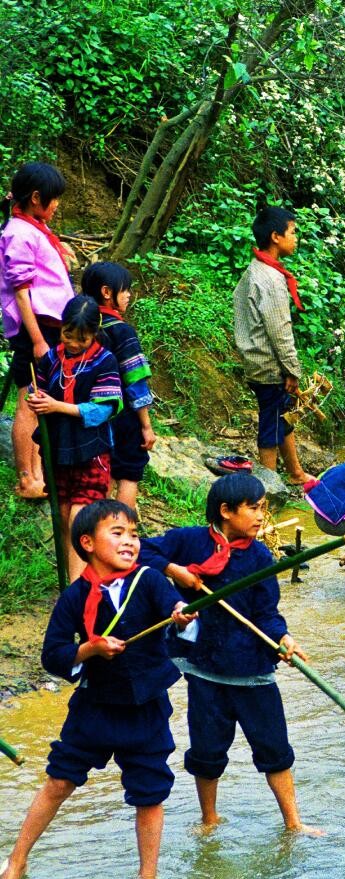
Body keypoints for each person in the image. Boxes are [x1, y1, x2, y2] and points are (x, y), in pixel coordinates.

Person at [1, 500, 190, 879]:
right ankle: (16, 862)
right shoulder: (74, 596)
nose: (130, 542)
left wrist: (182, 615)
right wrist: (88, 649)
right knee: (59, 780)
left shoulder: (150, 580)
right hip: (95, 708)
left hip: (147, 708)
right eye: (117, 533)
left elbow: (176, 610)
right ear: (86, 542)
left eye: (134, 535)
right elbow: (53, 655)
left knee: (150, 793)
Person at [139, 474, 319, 835]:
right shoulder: (188, 541)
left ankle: (294, 822)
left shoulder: (259, 557)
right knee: (206, 752)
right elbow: (142, 549)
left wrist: (283, 639)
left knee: (274, 747)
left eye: (263, 509)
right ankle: (209, 818)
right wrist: (176, 572)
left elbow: (267, 612)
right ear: (225, 511)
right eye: (253, 508)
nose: (260, 517)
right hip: (205, 670)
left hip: (252, 671)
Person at [29, 295, 122, 580]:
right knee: (64, 516)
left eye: (81, 339)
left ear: (94, 334)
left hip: (89, 451)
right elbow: (39, 392)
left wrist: (58, 406)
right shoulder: (50, 359)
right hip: (57, 450)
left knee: (83, 519)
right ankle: (74, 586)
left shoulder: (105, 362)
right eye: (68, 334)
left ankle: (81, 589)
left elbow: (103, 410)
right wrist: (38, 399)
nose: (72, 343)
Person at [1, 162, 74, 500]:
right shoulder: (18, 232)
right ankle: (27, 478)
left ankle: (40, 473)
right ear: (35, 197)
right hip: (37, 331)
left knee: (41, 399)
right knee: (28, 403)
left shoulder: (35, 228)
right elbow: (21, 292)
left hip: (48, 329)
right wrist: (39, 340)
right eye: (53, 198)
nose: (56, 205)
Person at [232, 201, 314, 485]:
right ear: (275, 237)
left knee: (283, 416)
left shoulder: (254, 271)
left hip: (256, 360)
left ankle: (295, 473)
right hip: (268, 366)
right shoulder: (270, 278)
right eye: (292, 231)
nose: (296, 237)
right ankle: (266, 486)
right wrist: (292, 369)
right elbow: (280, 329)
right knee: (271, 423)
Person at [80, 262, 155, 510]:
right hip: (123, 415)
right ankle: (123, 530)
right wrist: (146, 425)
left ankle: (98, 527)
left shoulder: (82, 329)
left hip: (91, 415)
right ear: (106, 292)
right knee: (129, 472)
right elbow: (136, 381)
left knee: (103, 470)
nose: (129, 295)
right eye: (125, 290)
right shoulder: (123, 331)